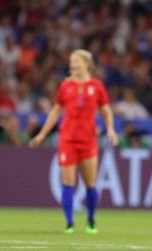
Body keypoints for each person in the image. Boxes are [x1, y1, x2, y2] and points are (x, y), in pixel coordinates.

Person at [29, 49, 119, 234]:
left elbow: (105, 110)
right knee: (68, 182)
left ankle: (91, 220)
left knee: (90, 184)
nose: (72, 64)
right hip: (68, 140)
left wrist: (110, 129)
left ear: (86, 63)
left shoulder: (96, 86)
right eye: (71, 61)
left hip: (88, 141)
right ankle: (69, 223)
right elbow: (56, 111)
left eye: (76, 60)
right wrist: (42, 134)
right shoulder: (65, 86)